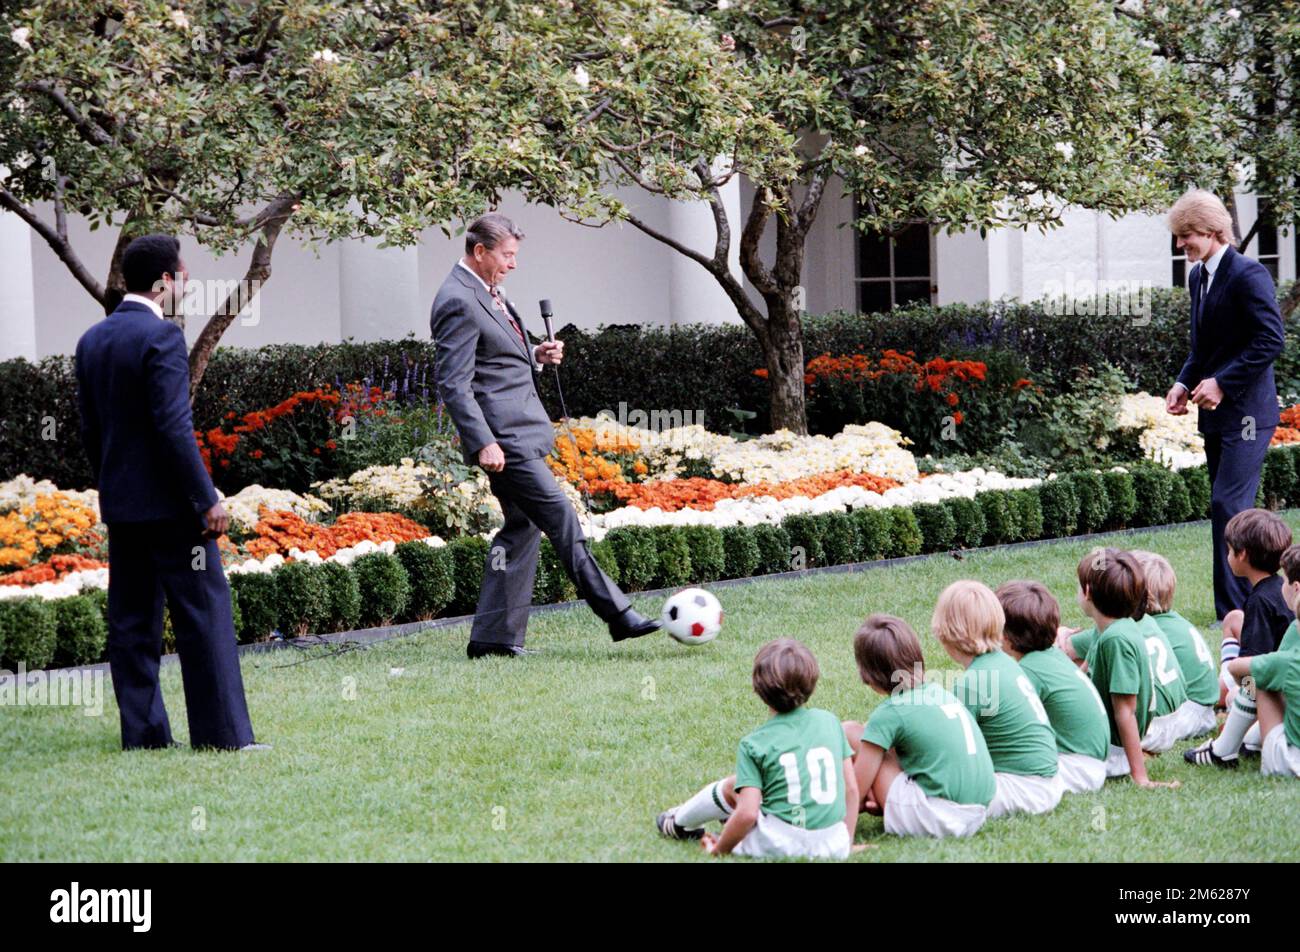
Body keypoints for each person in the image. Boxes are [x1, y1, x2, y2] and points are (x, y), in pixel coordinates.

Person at [430, 212, 659, 658]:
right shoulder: (457, 299)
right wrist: (483, 442)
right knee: (559, 515)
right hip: (504, 440)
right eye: (507, 255)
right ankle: (617, 614)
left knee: (522, 527)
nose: (513, 264)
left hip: (518, 432)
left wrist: (535, 353)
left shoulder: (486, 291)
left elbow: (493, 358)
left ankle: (493, 640)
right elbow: (453, 383)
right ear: (480, 252)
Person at [74, 234, 260, 751]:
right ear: (165, 281)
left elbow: (91, 433)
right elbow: (174, 427)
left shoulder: (92, 341)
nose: (188, 281)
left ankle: (146, 735)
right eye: (183, 273)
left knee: (132, 622)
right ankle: (223, 736)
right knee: (204, 614)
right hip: (176, 510)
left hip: (124, 506)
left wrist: (114, 484)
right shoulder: (163, 339)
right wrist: (205, 498)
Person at [1164, 189, 1285, 620]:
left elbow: (1271, 339)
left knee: (1228, 506)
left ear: (1214, 232)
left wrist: (1222, 384)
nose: (1181, 245)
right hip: (1217, 416)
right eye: (1178, 237)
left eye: (1187, 236)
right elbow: (1204, 348)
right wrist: (1184, 382)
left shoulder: (1248, 274)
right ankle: (1245, 607)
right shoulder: (1198, 277)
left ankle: (1235, 612)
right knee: (1230, 509)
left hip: (1249, 414)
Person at [655, 639, 855, 859]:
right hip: (834, 843)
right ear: (812, 682)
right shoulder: (830, 722)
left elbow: (748, 813)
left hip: (781, 844)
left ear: (758, 690)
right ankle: (689, 821)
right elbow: (851, 789)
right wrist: (845, 842)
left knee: (732, 786)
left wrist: (719, 851)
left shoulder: (754, 744)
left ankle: (679, 822)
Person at [842, 614, 995, 838]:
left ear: (869, 675)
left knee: (849, 731)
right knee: (876, 740)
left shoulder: (891, 712)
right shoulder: (940, 692)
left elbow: (857, 788)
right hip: (980, 811)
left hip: (939, 817)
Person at [932, 580, 1064, 818]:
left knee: (929, 793)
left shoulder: (974, 682)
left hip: (1022, 788)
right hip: (1046, 782)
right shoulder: (1005, 663)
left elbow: (948, 748)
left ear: (945, 632)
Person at [1186, 508, 1294, 767]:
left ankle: (1224, 749)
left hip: (1279, 694)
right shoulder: (1284, 589)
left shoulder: (1259, 602)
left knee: (1243, 691)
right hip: (1289, 689)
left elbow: (1255, 667)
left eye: (1230, 549)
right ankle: (1251, 739)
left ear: (1242, 554)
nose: (1228, 556)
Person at [1073, 548, 1177, 788]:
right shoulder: (1112, 626)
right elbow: (1081, 677)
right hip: (1099, 738)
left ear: (1087, 592)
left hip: (1108, 752)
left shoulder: (1117, 639)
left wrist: (1140, 777)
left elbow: (1126, 712)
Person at [996, 580, 1110, 794]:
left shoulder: (1030, 671)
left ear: (1006, 636)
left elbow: (1007, 723)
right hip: (1092, 762)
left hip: (1076, 768)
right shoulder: (1053, 656)